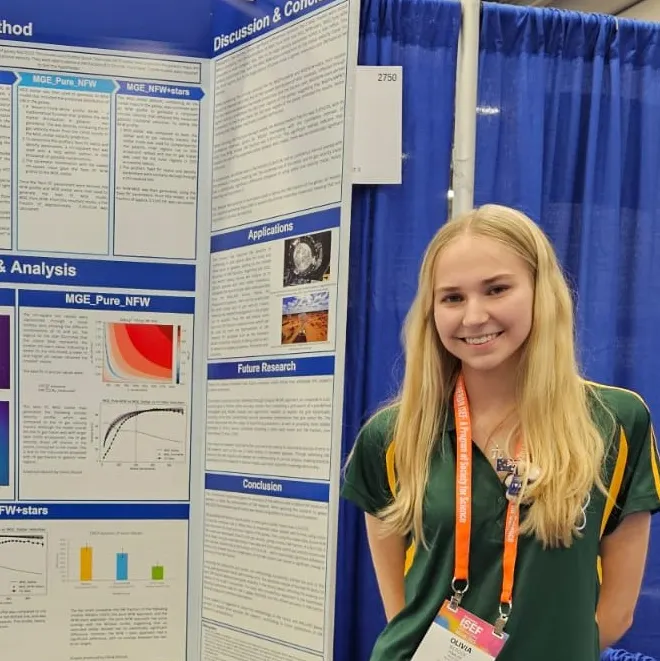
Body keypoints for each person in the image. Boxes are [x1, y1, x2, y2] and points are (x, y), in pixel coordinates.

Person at [341, 204, 660, 661]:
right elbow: (401, 610)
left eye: (496, 289)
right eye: (452, 298)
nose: (473, 316)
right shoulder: (393, 436)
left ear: (541, 292)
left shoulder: (615, 421)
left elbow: (617, 612)